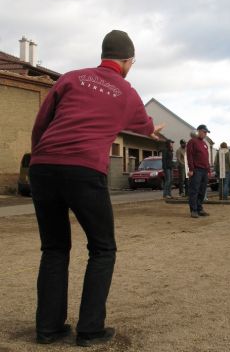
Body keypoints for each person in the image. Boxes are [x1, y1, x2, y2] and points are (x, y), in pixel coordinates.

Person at [29, 30, 162, 347]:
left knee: (54, 248)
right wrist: (152, 130)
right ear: (129, 61)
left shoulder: (71, 78)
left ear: (103, 54)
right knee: (102, 248)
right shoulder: (126, 92)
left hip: (44, 166)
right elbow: (143, 126)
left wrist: (39, 156)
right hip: (84, 169)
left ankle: (48, 329)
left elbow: (41, 122)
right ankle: (89, 330)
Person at [186, 124, 211, 218]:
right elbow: (190, 156)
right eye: (204, 132)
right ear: (199, 131)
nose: (205, 134)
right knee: (194, 190)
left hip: (204, 170)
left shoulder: (204, 144)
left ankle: (200, 208)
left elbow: (206, 158)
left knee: (202, 191)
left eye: (206, 133)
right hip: (196, 170)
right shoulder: (192, 141)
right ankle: (194, 210)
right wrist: (191, 169)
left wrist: (208, 170)